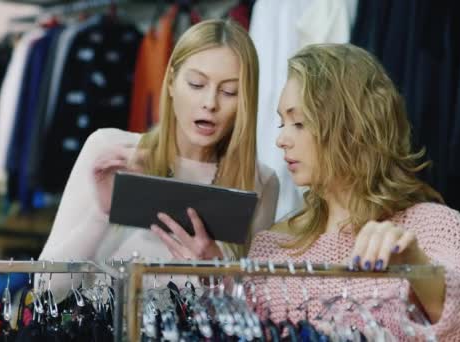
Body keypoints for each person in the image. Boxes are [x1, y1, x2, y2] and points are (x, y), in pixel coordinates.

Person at [247, 43, 460, 340]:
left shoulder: (434, 228)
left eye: (299, 122)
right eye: (281, 122)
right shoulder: (273, 246)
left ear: (353, 126)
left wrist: (415, 266)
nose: (282, 139)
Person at [37, 19, 279, 301]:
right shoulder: (110, 150)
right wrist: (101, 214)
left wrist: (218, 276)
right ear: (173, 82)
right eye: (197, 84)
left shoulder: (260, 182)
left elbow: (251, 315)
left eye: (229, 92)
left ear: (246, 100)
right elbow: (45, 289)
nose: (210, 103)